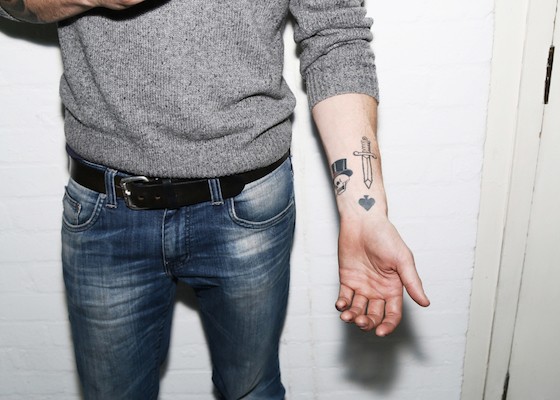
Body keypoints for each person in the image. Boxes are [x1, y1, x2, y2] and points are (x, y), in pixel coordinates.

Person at [0, 0, 430, 398]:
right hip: (105, 208)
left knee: (251, 389)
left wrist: (365, 211)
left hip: (249, 207)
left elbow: (334, 35)